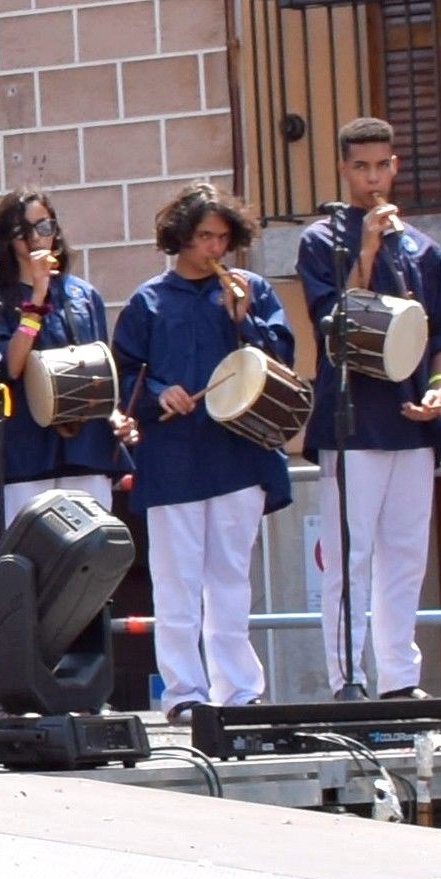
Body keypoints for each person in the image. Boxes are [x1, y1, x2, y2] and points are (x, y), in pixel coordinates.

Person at [286, 119, 441, 699]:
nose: (372, 178)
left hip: (414, 420)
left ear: (396, 165)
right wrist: (365, 248)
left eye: (381, 166)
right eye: (360, 167)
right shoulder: (321, 241)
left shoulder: (424, 249)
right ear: (344, 169)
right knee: (349, 556)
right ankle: (348, 677)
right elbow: (332, 321)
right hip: (353, 420)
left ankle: (399, 679)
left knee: (406, 556)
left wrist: (437, 385)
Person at [120, 185, 301, 717]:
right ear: (181, 237)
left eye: (223, 238)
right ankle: (184, 694)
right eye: (204, 237)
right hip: (173, 457)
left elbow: (279, 360)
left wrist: (244, 317)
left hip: (236, 453)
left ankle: (239, 690)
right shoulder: (148, 301)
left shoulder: (255, 291)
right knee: (176, 582)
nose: (214, 250)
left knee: (230, 580)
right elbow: (125, 373)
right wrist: (158, 393)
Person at [0, 193, 124, 540]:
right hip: (24, 452)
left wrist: (114, 413)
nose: (40, 236)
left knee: (92, 557)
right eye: (29, 228)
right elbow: (10, 367)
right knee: (26, 562)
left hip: (84, 446)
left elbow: (98, 365)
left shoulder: (83, 295)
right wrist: (36, 300)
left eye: (46, 226)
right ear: (11, 238)